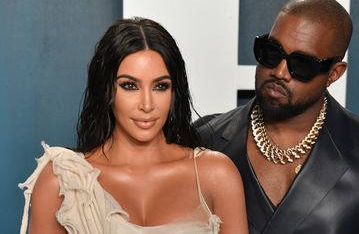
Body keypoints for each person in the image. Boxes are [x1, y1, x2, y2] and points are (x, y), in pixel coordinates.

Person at [196, 0, 359, 234]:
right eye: (271, 52)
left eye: (302, 64)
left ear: (334, 73)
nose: (280, 72)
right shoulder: (205, 139)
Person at [19, 17, 248, 234]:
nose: (147, 104)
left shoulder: (216, 175)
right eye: (130, 86)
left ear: (174, 92)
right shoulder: (62, 181)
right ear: (106, 89)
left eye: (160, 86)